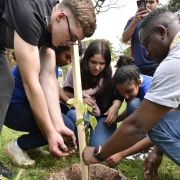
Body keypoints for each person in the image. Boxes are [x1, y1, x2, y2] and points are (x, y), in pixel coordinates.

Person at [0, 0, 96, 177]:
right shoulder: (31, 15)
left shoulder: (52, 28)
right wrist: (49, 133)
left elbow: (48, 76)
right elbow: (31, 83)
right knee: (5, 82)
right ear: (61, 17)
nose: (68, 43)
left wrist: (58, 126)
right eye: (71, 38)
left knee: (4, 83)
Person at [82, 8, 180, 180]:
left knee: (154, 124)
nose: (147, 53)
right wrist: (158, 151)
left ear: (161, 32)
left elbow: (138, 126)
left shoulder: (173, 63)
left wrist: (99, 153)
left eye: (147, 45)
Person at [4, 46, 75, 166]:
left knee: (64, 109)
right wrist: (50, 134)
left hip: (24, 103)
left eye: (71, 59)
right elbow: (37, 99)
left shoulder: (52, 61)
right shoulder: (38, 57)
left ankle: (32, 144)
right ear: (58, 48)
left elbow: (54, 86)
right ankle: (17, 146)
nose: (68, 62)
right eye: (67, 56)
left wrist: (70, 102)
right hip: (13, 109)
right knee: (66, 125)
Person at [63, 39, 122, 146]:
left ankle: (95, 133)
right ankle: (77, 141)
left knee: (98, 146)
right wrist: (81, 99)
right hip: (83, 111)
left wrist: (115, 107)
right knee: (73, 114)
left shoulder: (111, 73)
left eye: (101, 63)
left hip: (103, 115)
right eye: (93, 62)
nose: (97, 67)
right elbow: (67, 92)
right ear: (86, 59)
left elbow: (118, 96)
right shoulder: (76, 69)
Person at [105, 55, 154, 165]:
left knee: (133, 102)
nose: (125, 97)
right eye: (121, 93)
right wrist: (116, 119)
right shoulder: (134, 86)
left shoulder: (149, 90)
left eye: (128, 91)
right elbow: (135, 110)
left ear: (139, 83)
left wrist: (121, 154)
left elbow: (156, 132)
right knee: (133, 103)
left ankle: (147, 149)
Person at [122, 0, 159, 76]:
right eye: (146, 2)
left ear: (157, 3)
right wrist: (135, 21)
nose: (148, 5)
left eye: (151, 2)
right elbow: (124, 38)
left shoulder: (162, 19)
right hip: (136, 67)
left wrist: (152, 19)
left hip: (158, 65)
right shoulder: (132, 20)